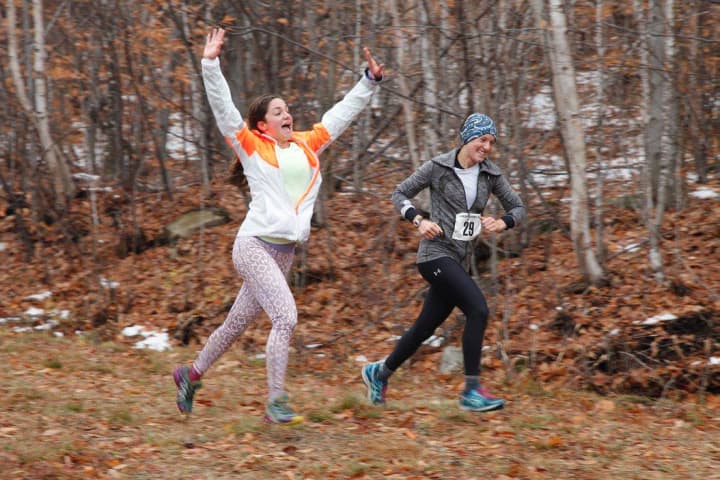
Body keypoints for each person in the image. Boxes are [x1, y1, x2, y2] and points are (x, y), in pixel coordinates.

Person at [174, 27, 385, 424]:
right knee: (286, 317)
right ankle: (276, 401)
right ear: (262, 126)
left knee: (235, 324)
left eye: (287, 109)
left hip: (283, 253)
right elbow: (224, 109)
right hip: (253, 246)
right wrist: (210, 64)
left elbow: (338, 116)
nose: (287, 114)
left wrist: (368, 82)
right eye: (277, 112)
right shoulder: (251, 145)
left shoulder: (307, 144)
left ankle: (190, 374)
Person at [361, 113, 526, 412]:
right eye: (481, 140)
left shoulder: (491, 174)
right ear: (467, 139)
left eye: (491, 142)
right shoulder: (438, 167)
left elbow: (518, 206)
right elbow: (399, 193)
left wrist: (502, 223)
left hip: (458, 261)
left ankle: (379, 373)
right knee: (478, 309)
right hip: (434, 254)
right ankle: (471, 391)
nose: (487, 147)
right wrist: (419, 220)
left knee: (425, 327)